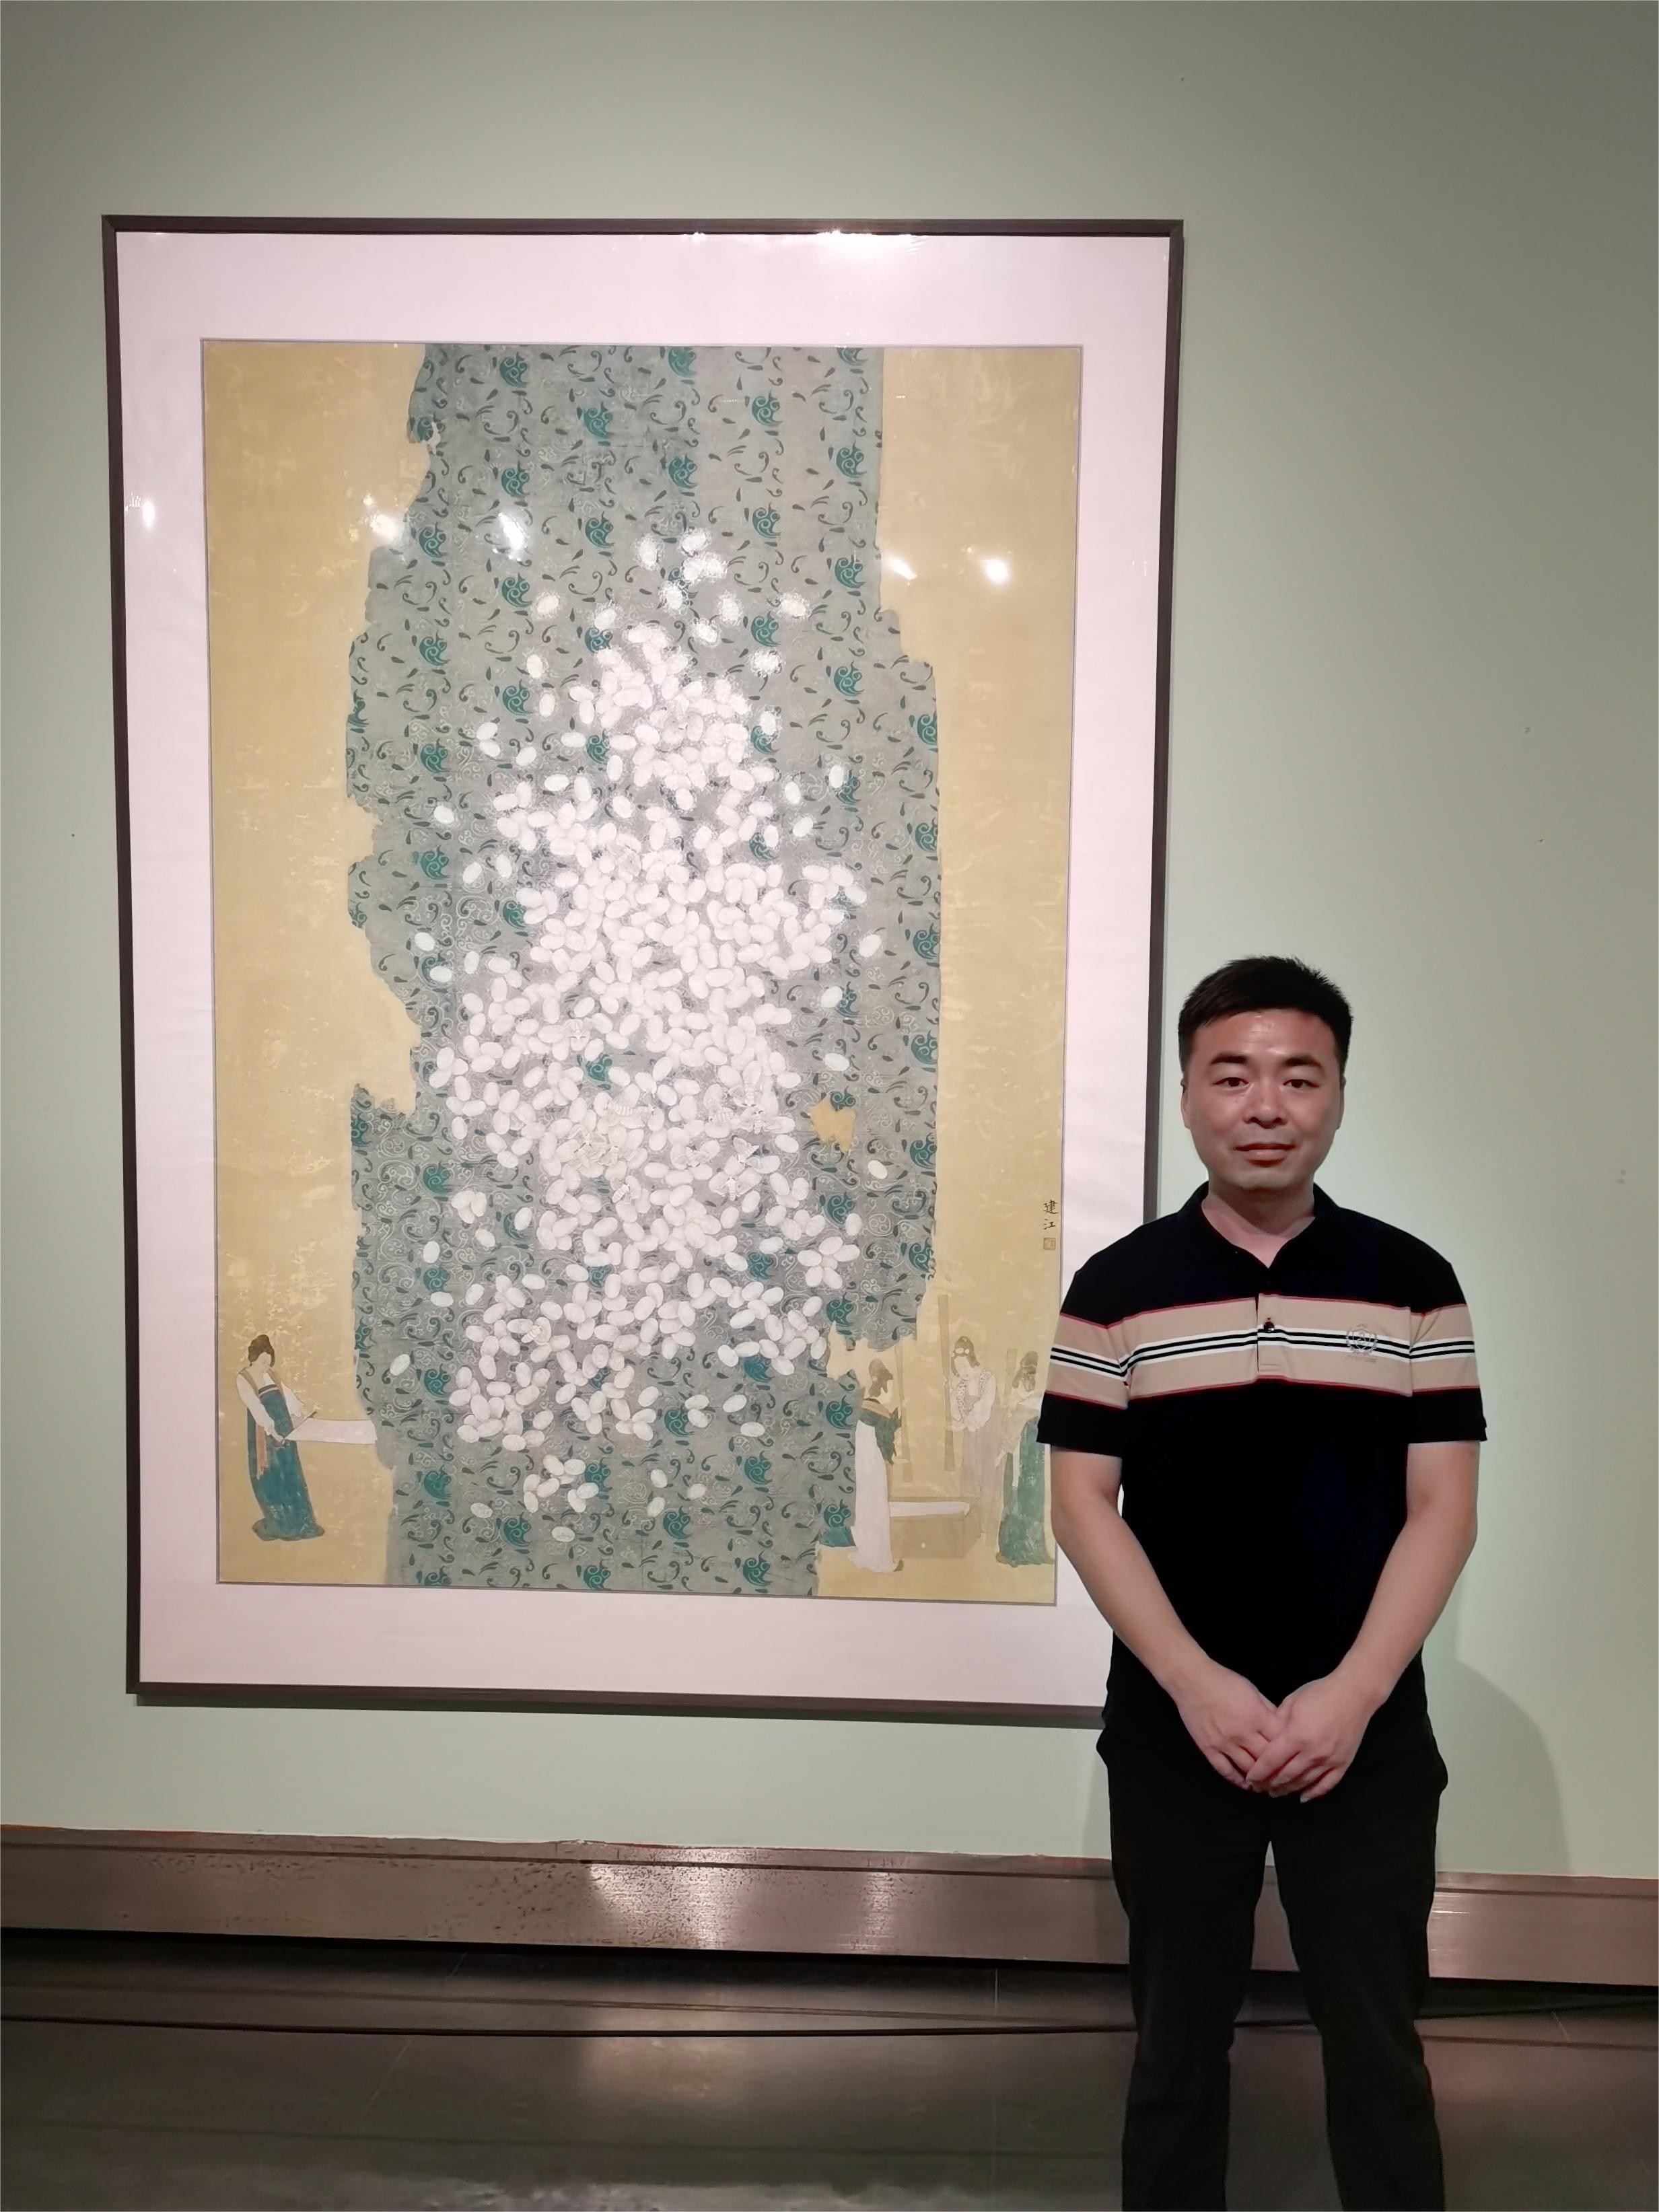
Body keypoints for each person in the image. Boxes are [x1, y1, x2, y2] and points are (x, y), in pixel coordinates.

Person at [1040, 956, 1483, 2212]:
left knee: (1380, 2042)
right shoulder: (1115, 1288)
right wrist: (1196, 1684)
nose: (1266, 1105)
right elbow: (1082, 1505)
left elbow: (1444, 1509)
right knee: (1174, 2048)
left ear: (1339, 1094)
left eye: (1300, 1076)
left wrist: (1354, 1691)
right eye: (1231, 1076)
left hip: (1366, 1729)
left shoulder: (1414, 1281)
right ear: (1187, 1094)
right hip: (1176, 1725)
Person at [236, 1334, 324, 1541]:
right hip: (264, 1434)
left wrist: (302, 1415)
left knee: (292, 1474)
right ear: (253, 1358)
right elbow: (257, 1409)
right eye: (262, 1362)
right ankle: (282, 1525)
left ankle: (303, 1523)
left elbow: (288, 1398)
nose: (265, 1366)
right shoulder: (244, 1378)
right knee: (272, 1477)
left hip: (286, 1430)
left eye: (268, 1362)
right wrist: (273, 1432)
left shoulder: (271, 1375)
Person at [996, 1351, 1051, 1567]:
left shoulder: (1026, 1406)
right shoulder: (1039, 1403)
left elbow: (1011, 1434)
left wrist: (1001, 1454)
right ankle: (1029, 1549)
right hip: (1034, 1463)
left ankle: (1015, 1551)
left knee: (1017, 1500)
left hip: (1024, 1459)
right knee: (1030, 1502)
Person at [849, 1357, 902, 1573]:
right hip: (873, 1468)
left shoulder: (863, 1407)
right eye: (891, 1387)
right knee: (877, 1507)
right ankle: (880, 1560)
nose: (892, 1393)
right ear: (883, 1386)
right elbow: (886, 1446)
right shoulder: (879, 1412)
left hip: (861, 1469)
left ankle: (866, 1553)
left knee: (864, 1507)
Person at [947, 1334, 999, 1533]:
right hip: (970, 1437)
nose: (962, 1372)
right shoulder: (961, 1386)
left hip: (988, 1436)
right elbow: (956, 1412)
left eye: (964, 1366)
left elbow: (984, 1409)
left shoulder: (988, 1378)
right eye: (958, 1369)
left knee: (986, 1477)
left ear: (972, 1360)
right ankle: (971, 1524)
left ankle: (985, 1524)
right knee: (970, 1473)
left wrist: (964, 1425)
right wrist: (952, 1399)